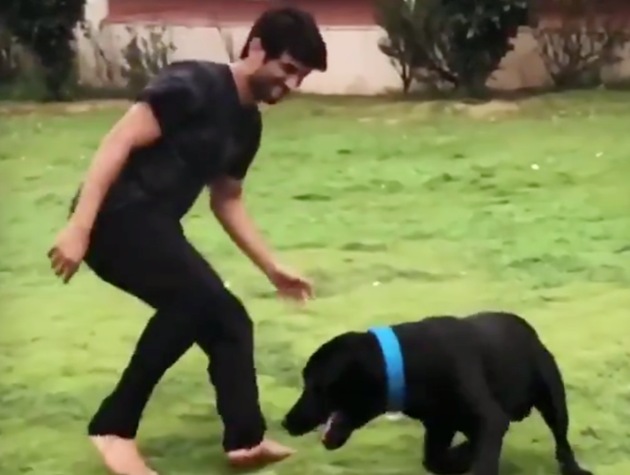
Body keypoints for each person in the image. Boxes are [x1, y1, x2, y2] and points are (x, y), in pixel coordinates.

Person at [47, 6, 327, 475]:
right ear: (257, 48)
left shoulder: (248, 123)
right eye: (288, 69)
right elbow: (117, 142)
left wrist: (271, 267)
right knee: (195, 301)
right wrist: (79, 225)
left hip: (155, 225)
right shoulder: (192, 84)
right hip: (115, 219)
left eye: (302, 77)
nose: (292, 85)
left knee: (229, 319)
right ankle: (113, 428)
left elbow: (227, 199)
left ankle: (245, 441)